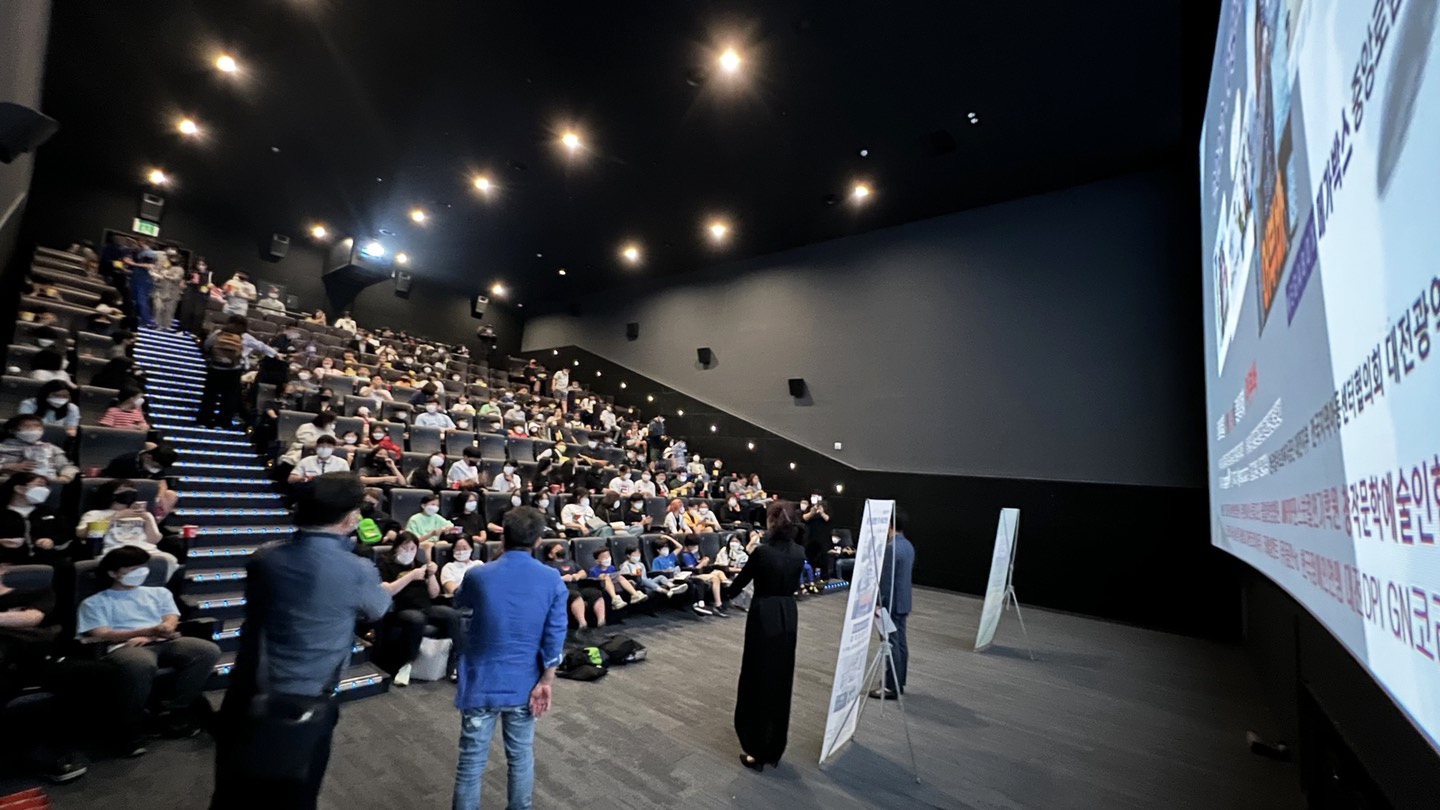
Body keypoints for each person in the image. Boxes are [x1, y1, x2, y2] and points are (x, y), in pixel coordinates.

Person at [211, 473, 395, 809]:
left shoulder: (265, 557)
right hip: (306, 702)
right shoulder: (357, 569)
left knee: (232, 794)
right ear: (350, 518)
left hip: (248, 690)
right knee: (295, 797)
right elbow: (378, 608)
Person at [451, 506, 564, 810]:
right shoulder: (552, 578)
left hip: (480, 681)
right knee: (521, 757)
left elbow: (459, 600)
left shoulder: (478, 574)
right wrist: (546, 681)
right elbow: (554, 635)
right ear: (538, 541)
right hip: (525, 683)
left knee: (470, 763)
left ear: (502, 536)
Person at [77, 546, 222, 739]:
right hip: (125, 646)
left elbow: (170, 618)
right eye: (132, 569)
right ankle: (133, 722)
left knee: (207, 650)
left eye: (142, 567)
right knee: (141, 664)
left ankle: (173, 710)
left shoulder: (159, 592)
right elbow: (102, 634)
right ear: (113, 573)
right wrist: (147, 632)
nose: (140, 572)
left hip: (161, 640)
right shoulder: (94, 602)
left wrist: (159, 632)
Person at [727, 500, 807, 770]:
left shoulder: (762, 553)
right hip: (788, 613)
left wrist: (721, 592)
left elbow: (737, 585)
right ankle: (774, 746)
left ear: (771, 521)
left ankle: (755, 748)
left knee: (757, 677)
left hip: (764, 614)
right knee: (780, 678)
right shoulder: (799, 552)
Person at [375, 532, 462, 686]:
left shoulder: (419, 564)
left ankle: (456, 661)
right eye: (405, 548)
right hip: (400, 608)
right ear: (396, 548)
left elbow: (434, 594)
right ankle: (406, 664)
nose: (409, 552)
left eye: (413, 548)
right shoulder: (385, 565)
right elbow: (388, 591)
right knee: (417, 619)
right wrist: (410, 576)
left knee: (452, 614)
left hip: (425, 606)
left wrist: (432, 575)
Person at [76, 479, 178, 580]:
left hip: (146, 550)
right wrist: (115, 517)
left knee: (168, 559)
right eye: (123, 489)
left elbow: (153, 541)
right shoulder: (95, 514)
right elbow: (81, 534)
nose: (129, 492)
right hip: (116, 551)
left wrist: (147, 520)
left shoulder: (144, 515)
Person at [871, 507, 915, 701]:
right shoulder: (907, 545)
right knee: (901, 644)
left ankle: (890, 686)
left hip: (891, 604)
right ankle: (899, 682)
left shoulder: (891, 548)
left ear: (889, 525)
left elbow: (886, 582)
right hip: (903, 601)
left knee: (890, 644)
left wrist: (879, 605)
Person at [200, 316, 277, 428]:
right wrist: (275, 354)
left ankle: (203, 420)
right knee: (229, 397)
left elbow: (207, 345)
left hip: (215, 368)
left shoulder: (219, 333)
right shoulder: (244, 336)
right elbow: (260, 346)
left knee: (210, 395)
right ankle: (222, 422)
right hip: (233, 370)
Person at [0, 472, 70, 565]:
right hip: (8, 563)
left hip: (48, 562)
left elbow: (66, 534)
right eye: (39, 485)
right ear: (19, 489)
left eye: (45, 486)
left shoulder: (50, 512)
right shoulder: (2, 514)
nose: (44, 490)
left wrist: (52, 541)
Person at [542, 540, 607, 639]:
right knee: (576, 595)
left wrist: (578, 575)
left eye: (561, 548)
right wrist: (562, 578)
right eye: (557, 549)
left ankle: (601, 622)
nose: (561, 550)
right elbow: (546, 579)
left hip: (577, 586)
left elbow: (583, 573)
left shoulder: (570, 562)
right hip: (562, 590)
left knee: (596, 593)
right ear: (550, 555)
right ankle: (582, 624)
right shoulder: (548, 565)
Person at [103, 444, 180, 517]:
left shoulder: (159, 463)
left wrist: (159, 497)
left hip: (145, 494)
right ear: (147, 457)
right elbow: (112, 484)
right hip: (124, 493)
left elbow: (162, 482)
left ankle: (153, 523)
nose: (158, 469)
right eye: (156, 466)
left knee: (170, 495)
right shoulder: (124, 461)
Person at [0, 415, 78, 485]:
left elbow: (66, 467)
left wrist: (64, 478)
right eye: (27, 426)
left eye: (37, 426)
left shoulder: (51, 448)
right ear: (12, 430)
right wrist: (6, 466)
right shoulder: (2, 447)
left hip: (47, 485)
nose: (33, 429)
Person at [679, 537, 728, 616]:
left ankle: (726, 584)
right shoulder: (685, 555)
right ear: (689, 546)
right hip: (693, 576)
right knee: (714, 578)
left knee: (719, 572)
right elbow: (693, 569)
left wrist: (702, 561)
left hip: (700, 573)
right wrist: (703, 563)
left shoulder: (691, 554)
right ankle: (718, 603)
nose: (696, 548)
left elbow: (696, 563)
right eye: (694, 546)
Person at [587, 545, 647, 610]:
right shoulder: (593, 570)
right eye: (604, 557)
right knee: (606, 577)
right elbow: (591, 582)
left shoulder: (612, 567)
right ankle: (615, 599)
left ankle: (635, 594)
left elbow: (614, 576)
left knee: (619, 576)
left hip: (614, 584)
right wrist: (599, 577)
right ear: (597, 561)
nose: (607, 559)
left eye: (608, 556)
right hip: (603, 586)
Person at [151, 249, 186, 329]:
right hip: (160, 289)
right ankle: (157, 324)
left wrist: (165, 276)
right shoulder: (165, 265)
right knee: (158, 308)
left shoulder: (179, 269)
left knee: (168, 310)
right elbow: (157, 273)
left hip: (172, 292)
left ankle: (166, 326)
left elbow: (176, 278)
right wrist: (156, 275)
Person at [802, 492, 834, 579]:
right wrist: (812, 513)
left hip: (823, 537)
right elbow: (804, 517)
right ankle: (810, 577)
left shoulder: (827, 507)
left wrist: (822, 513)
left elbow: (828, 519)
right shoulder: (809, 507)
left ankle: (824, 577)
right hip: (811, 536)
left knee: (824, 557)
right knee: (810, 557)